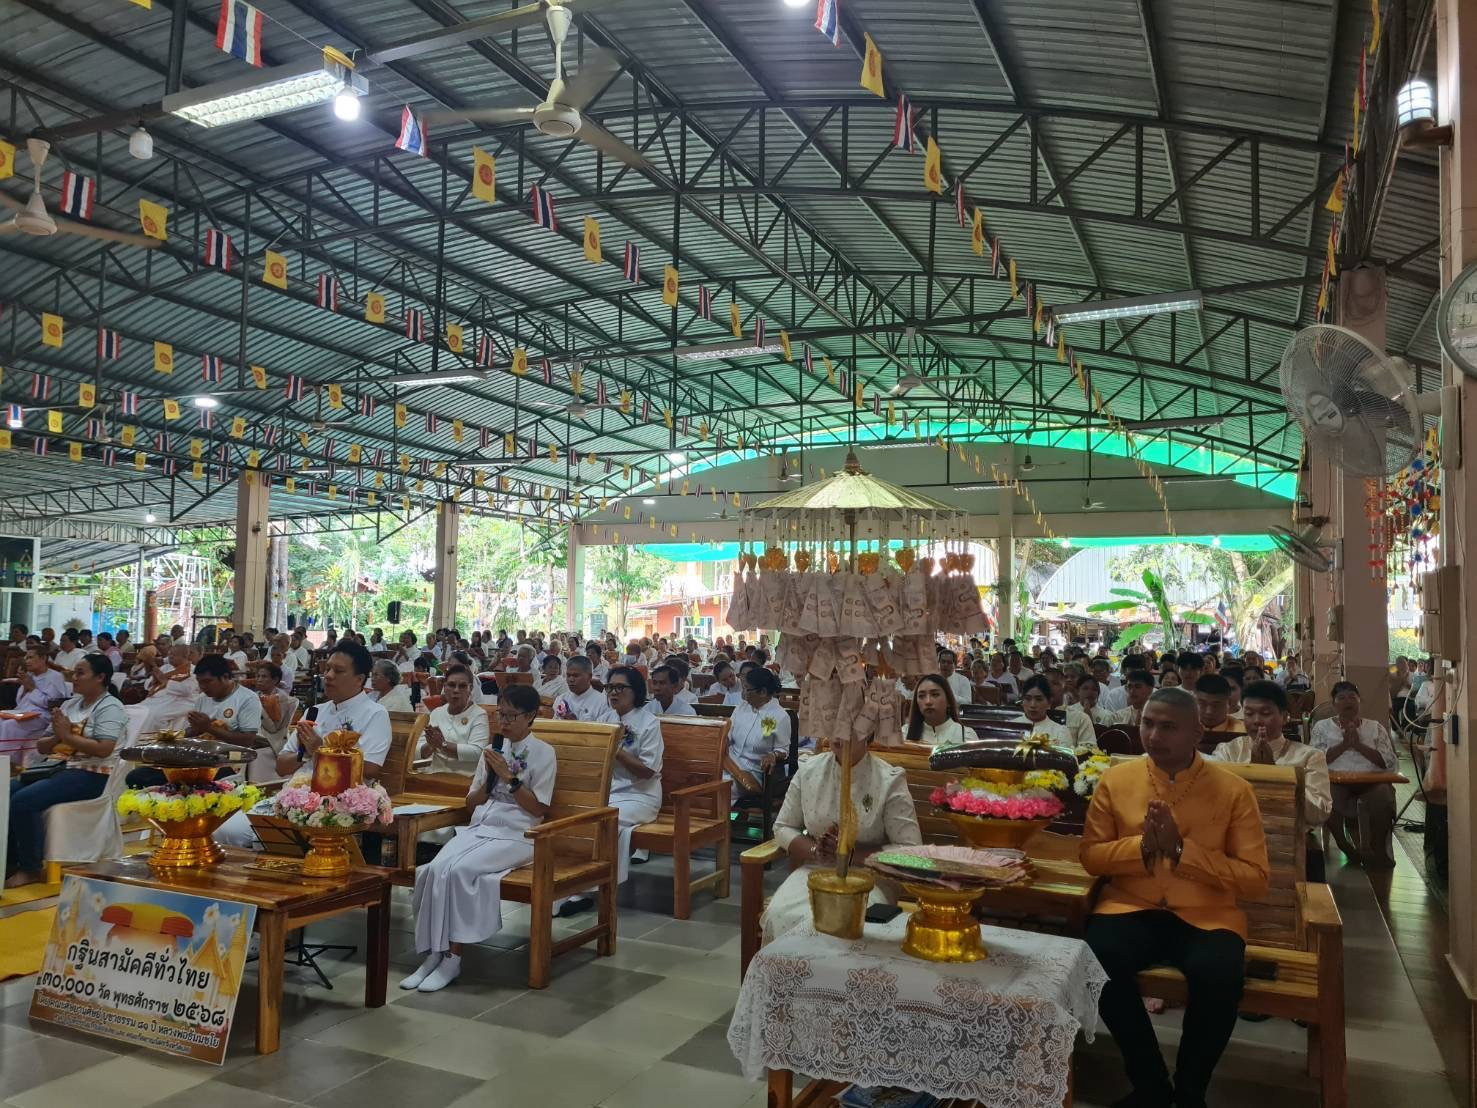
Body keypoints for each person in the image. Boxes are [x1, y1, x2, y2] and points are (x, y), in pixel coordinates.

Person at [1080, 686, 1270, 1108]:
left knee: (1220, 973)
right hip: (1130, 906)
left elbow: (1256, 879)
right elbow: (1091, 857)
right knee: (1096, 959)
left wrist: (1183, 852)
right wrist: (1141, 848)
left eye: (1168, 727)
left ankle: (1190, 1093)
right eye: (1148, 723)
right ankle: (1150, 1085)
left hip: (1207, 914)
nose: (1153, 735)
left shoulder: (1233, 790)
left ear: (1196, 732)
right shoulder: (1116, 778)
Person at [400, 684, 555, 993]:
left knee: (459, 872)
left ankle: (452, 959)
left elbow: (539, 807)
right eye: (501, 714)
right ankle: (433, 953)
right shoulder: (493, 750)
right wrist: (491, 778)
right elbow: (472, 803)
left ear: (531, 716)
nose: (505, 722)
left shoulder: (543, 752)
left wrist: (510, 780)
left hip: (519, 832)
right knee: (432, 870)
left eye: (512, 715)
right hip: (481, 825)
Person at [762, 733, 923, 941]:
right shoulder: (809, 770)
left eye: (850, 727)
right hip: (816, 870)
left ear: (868, 733)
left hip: (869, 877)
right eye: (834, 725)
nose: (838, 734)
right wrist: (815, 850)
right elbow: (783, 827)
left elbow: (910, 849)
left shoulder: (888, 780)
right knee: (781, 914)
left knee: (847, 919)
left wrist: (850, 855)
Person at [6, 654, 130, 888]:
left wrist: (67, 736)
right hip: (57, 767)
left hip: (91, 774)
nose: (74, 677)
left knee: (24, 801)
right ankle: (9, 860)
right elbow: (42, 745)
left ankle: (30, 868)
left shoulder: (111, 707)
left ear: (100, 677)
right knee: (6, 791)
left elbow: (104, 749)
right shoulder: (70, 704)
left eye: (80, 673)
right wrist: (57, 736)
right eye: (74, 672)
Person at [560, 666, 666, 915]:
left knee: (603, 821)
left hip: (641, 795)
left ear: (636, 691)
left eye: (620, 688)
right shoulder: (607, 719)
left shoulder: (648, 722)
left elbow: (648, 771)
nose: (613, 693)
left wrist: (615, 749)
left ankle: (591, 887)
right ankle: (572, 880)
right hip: (609, 791)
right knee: (574, 817)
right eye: (610, 688)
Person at [1209, 679, 1332, 879]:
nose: (1256, 720)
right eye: (1249, 714)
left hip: (1288, 841)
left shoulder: (1309, 756)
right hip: (1233, 840)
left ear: (1284, 717)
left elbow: (1320, 812)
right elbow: (1215, 799)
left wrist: (1273, 775)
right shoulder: (1228, 751)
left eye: (1265, 713)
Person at [1309, 679, 1400, 867]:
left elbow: (1389, 762)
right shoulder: (1323, 727)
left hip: (1371, 781)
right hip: (1336, 781)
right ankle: (1344, 845)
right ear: (1334, 703)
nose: (1347, 701)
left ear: (1359, 701)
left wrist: (1358, 745)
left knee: (1384, 795)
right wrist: (1344, 745)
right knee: (1326, 794)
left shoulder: (1375, 727)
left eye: (1352, 697)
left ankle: (1378, 847)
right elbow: (1315, 760)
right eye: (1341, 698)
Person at [726, 666, 791, 796]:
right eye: (743, 687)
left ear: (762, 692)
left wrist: (773, 755)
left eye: (747, 689)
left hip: (752, 774)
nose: (743, 692)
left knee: (722, 786)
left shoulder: (777, 716)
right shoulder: (742, 708)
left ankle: (721, 815)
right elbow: (728, 734)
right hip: (729, 763)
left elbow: (783, 749)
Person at [0, 647, 68, 767]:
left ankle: (7, 761)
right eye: (26, 657)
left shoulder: (55, 677)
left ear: (43, 658)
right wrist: (26, 687)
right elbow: (20, 701)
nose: (27, 661)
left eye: (30, 657)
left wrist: (31, 688)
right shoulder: (30, 675)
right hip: (24, 713)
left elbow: (52, 704)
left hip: (43, 715)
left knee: (9, 725)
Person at [420, 664, 490, 775]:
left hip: (464, 780)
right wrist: (431, 745)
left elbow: (477, 752)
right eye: (451, 685)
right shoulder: (436, 713)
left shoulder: (479, 715)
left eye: (462, 686)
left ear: (470, 689)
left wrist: (442, 744)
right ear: (444, 687)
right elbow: (419, 752)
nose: (456, 690)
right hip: (435, 775)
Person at [248, 661, 298, 780]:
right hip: (255, 736)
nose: (259, 679)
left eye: (264, 676)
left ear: (275, 680)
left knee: (253, 748)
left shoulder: (282, 698)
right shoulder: (254, 695)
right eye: (258, 676)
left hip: (272, 741)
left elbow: (273, 728)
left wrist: (258, 706)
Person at [905, 674, 969, 749]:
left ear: (948, 701)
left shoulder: (965, 735)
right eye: (921, 696)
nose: (928, 701)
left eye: (935, 694)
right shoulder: (904, 733)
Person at [552, 656, 617, 723]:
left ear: (590, 676)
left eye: (576, 676)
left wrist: (576, 726)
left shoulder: (603, 702)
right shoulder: (560, 699)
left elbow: (606, 730)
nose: (571, 679)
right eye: (568, 675)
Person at [1011, 674, 1072, 744]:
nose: (1032, 705)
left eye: (1039, 699)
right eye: (1028, 699)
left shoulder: (1060, 732)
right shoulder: (1008, 728)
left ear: (1049, 702)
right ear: (1022, 700)